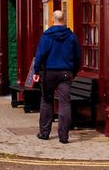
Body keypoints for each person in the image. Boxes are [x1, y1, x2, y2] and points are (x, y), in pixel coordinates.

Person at [33, 10, 81, 144]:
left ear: (52, 20)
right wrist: (74, 72)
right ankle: (64, 137)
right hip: (66, 73)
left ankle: (44, 133)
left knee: (46, 101)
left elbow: (40, 54)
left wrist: (36, 71)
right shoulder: (71, 36)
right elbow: (78, 56)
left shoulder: (46, 36)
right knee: (65, 103)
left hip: (49, 73)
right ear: (63, 19)